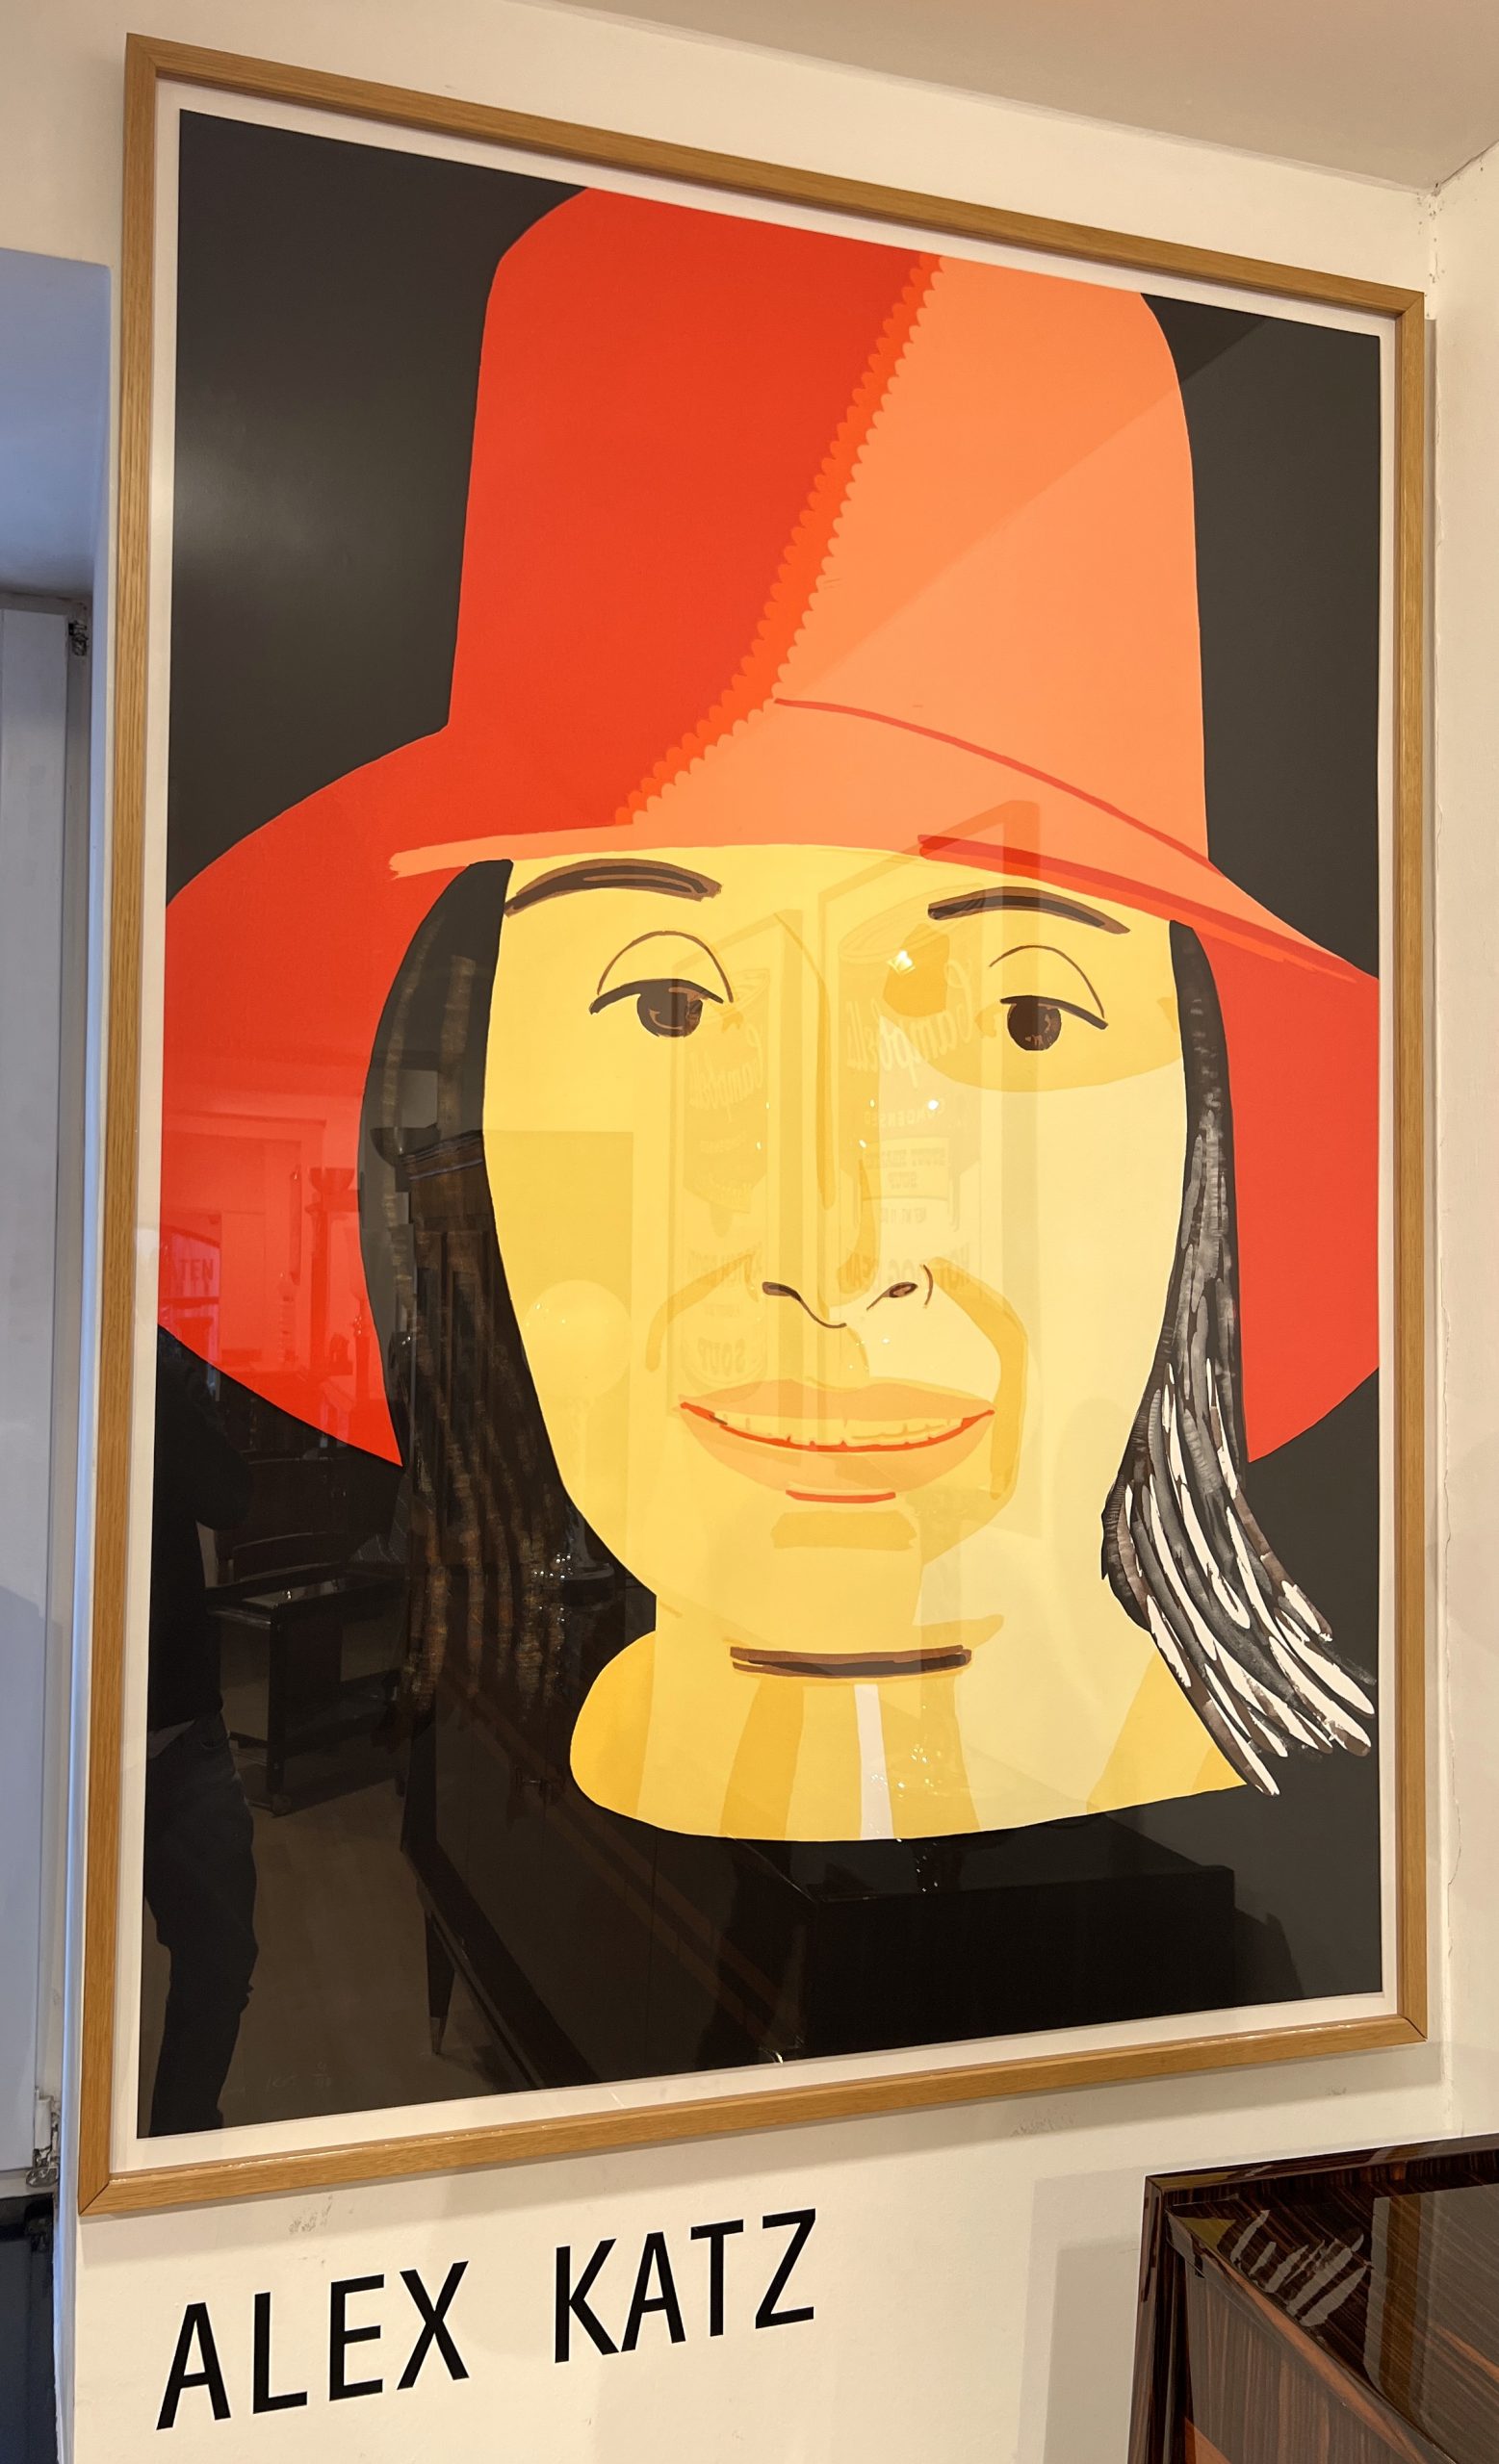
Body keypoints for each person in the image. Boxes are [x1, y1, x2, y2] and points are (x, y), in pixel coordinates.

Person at [162, 190, 1380, 1854]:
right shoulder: (497, 1806)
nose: (834, 1252)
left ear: (1200, 1144)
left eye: (1027, 1017)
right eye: (667, 1003)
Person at [143, 1331, 257, 2133]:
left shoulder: (160, 1366)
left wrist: (158, 1372)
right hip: (52, 1726)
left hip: (176, 1725)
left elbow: (227, 1497)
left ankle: (177, 2145)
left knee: (220, 1954)